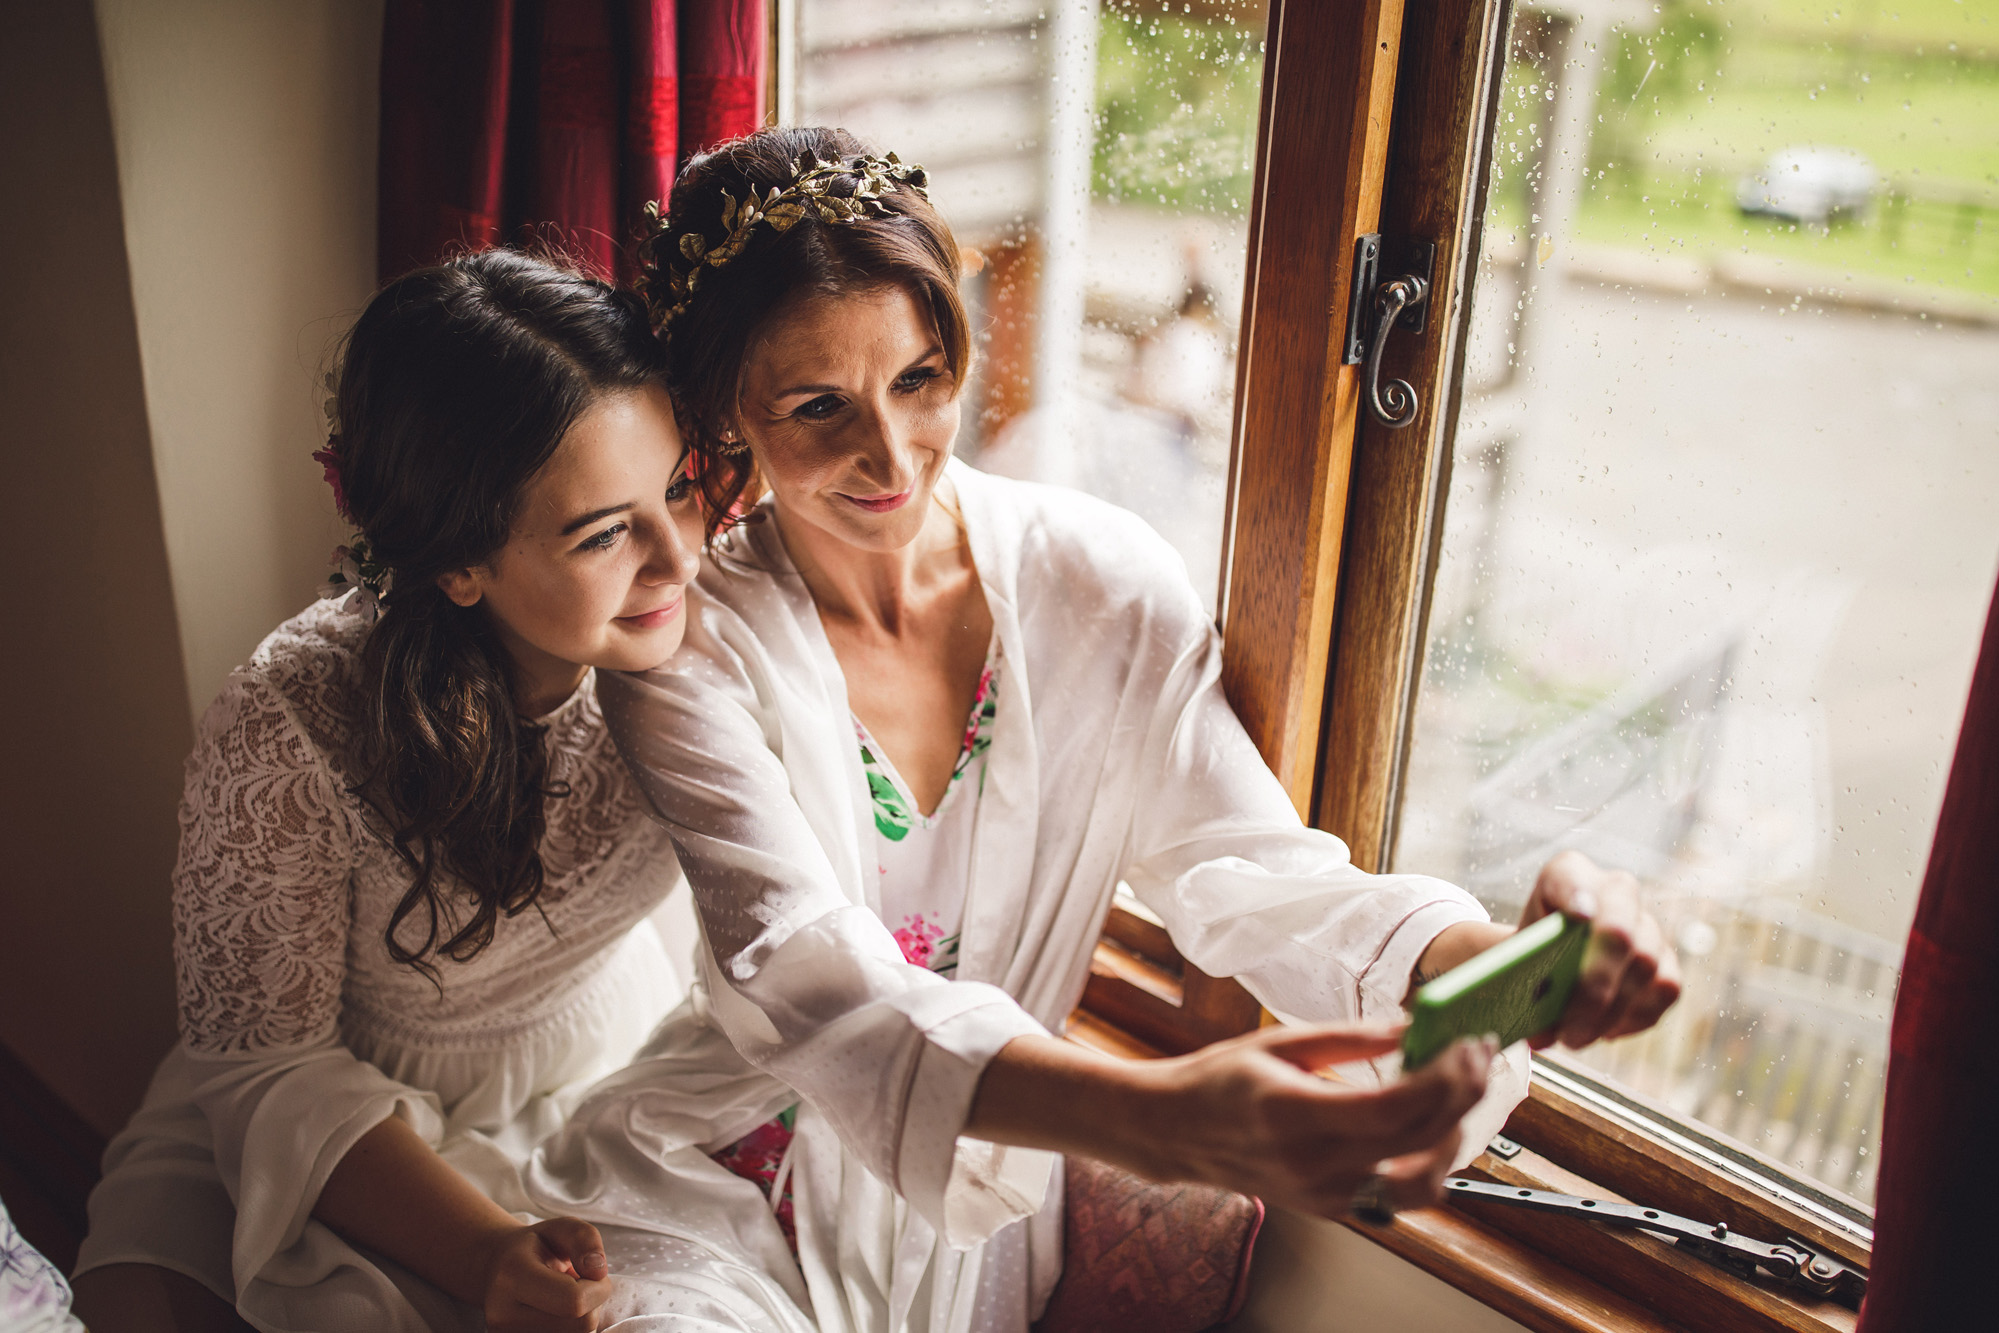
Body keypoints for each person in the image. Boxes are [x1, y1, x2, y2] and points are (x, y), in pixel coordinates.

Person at [524, 127, 1683, 1333]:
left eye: (919, 378)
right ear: (725, 414)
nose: (892, 453)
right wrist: (1168, 1112)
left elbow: (1252, 876)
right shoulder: (683, 643)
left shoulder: (1099, 580)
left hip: (963, 1216)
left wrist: (1496, 966)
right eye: (820, 406)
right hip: (707, 1189)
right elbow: (812, 980)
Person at [70, 250, 783, 1333]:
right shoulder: (290, 725)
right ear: (459, 561)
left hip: (612, 1082)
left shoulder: (721, 641)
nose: (677, 560)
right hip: (325, 1123)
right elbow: (266, 1065)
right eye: (602, 533)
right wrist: (482, 1248)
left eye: (678, 489)